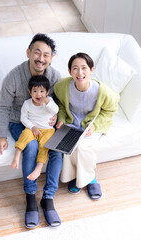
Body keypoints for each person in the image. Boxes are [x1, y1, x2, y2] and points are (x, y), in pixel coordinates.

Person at [0, 33, 63, 228]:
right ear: (28, 52)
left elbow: (61, 102)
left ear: (51, 58)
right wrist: (1, 136)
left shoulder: (55, 76)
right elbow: (4, 107)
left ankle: (48, 198)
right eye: (37, 52)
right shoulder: (13, 77)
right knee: (30, 146)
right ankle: (30, 197)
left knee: (56, 150)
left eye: (46, 55)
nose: (41, 58)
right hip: (19, 121)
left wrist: (60, 117)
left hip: (45, 125)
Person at [54, 52, 119, 200]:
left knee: (82, 147)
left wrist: (94, 125)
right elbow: (62, 106)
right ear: (70, 71)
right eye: (75, 68)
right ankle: (74, 177)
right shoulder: (62, 86)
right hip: (73, 122)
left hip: (91, 125)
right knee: (67, 146)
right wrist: (62, 119)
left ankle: (90, 179)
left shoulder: (102, 91)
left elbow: (110, 110)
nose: (80, 72)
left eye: (84, 68)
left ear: (91, 70)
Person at [11, 75, 59, 181]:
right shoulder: (27, 104)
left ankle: (38, 167)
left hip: (47, 130)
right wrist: (32, 127)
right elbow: (23, 118)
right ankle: (17, 155)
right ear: (30, 92)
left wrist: (47, 101)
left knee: (44, 146)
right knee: (25, 134)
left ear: (47, 92)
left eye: (42, 91)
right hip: (33, 129)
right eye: (35, 91)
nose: (38, 94)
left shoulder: (49, 101)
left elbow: (56, 110)